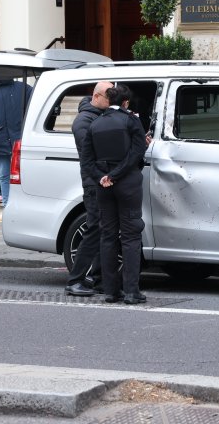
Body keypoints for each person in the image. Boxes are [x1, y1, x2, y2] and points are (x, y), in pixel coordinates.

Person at [82, 84, 148, 305]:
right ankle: (131, 291)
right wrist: (116, 174)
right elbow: (137, 152)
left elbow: (87, 160)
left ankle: (110, 291)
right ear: (126, 103)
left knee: (108, 236)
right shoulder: (131, 120)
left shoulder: (95, 124)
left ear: (109, 101)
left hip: (104, 186)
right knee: (130, 237)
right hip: (127, 182)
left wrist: (103, 177)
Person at [64, 81, 112, 297]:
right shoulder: (84, 121)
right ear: (97, 96)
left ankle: (99, 279)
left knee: (103, 230)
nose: (111, 101)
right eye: (109, 97)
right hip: (94, 182)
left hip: (100, 180)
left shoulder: (97, 116)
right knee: (93, 230)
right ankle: (75, 279)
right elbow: (91, 156)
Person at [0, 77, 33, 222]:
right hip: (1, 137)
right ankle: (7, 207)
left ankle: (24, 207)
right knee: (4, 175)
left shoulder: (24, 87)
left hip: (19, 137)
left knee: (23, 174)